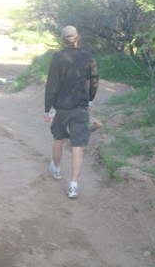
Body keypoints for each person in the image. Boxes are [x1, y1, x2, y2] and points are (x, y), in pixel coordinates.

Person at [44, 26, 98, 198]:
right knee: (77, 146)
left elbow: (51, 84)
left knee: (58, 139)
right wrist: (89, 99)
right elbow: (94, 81)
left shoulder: (58, 57)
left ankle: (57, 170)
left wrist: (48, 108)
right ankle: (73, 185)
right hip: (81, 107)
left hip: (62, 107)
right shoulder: (88, 57)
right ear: (78, 38)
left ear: (62, 40)